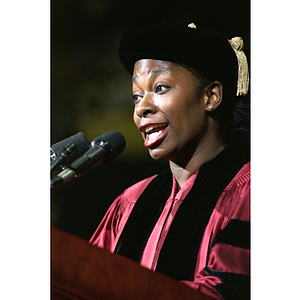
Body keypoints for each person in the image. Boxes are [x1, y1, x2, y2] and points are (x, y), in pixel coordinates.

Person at [90, 21, 250, 300]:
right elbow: (83, 280)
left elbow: (227, 289)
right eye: (136, 95)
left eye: (160, 88)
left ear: (211, 96)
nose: (142, 107)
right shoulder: (131, 202)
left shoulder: (250, 191)